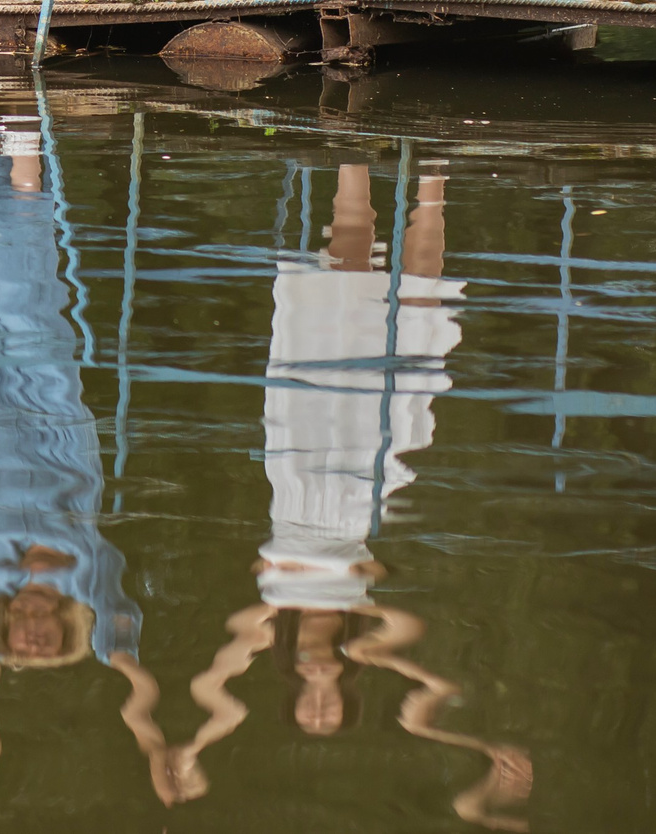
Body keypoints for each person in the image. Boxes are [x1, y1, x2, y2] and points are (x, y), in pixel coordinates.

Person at [160, 166, 533, 829]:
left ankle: (354, 164)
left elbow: (212, 688)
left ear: (292, 696)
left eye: (308, 712)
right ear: (346, 697)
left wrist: (193, 748)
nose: (319, 704)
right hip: (363, 480)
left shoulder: (269, 621)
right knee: (416, 326)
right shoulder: (367, 639)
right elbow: (431, 695)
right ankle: (432, 176)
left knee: (333, 306)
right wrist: (481, 758)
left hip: (298, 465)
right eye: (329, 712)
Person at [0, 108, 174, 809]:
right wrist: (154, 746)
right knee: (22, 303)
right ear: (64, 633)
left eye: (20, 639)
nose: (31, 632)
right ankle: (21, 141)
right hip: (51, 434)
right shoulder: (94, 584)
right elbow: (132, 676)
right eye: (44, 641)